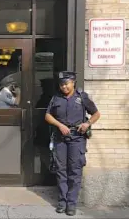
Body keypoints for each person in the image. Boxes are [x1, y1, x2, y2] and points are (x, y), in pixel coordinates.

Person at [45, 71, 100, 216]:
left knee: (75, 171)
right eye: (61, 84)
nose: (63, 87)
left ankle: (71, 204)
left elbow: (96, 114)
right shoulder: (56, 98)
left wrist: (87, 123)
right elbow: (48, 115)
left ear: (73, 82)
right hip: (60, 139)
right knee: (61, 170)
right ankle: (62, 202)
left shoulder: (82, 97)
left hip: (77, 139)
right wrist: (59, 125)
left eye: (66, 84)